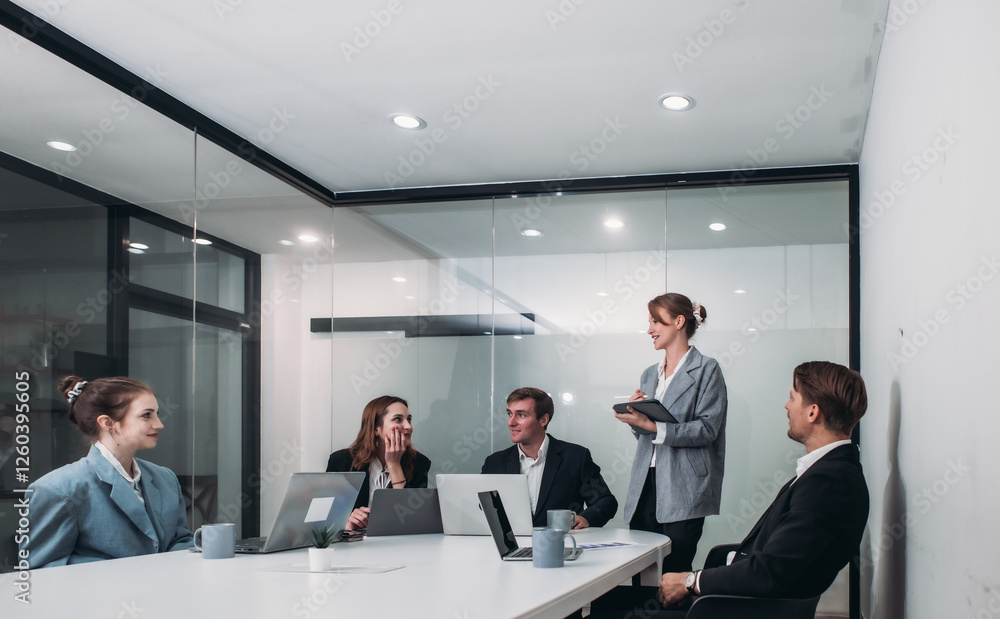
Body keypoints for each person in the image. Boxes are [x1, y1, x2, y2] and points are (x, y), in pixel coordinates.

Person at [592, 361, 869, 617]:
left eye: (792, 398)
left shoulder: (829, 482)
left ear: (812, 412)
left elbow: (771, 571)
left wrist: (691, 581)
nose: (786, 405)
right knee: (610, 600)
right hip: (733, 595)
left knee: (607, 608)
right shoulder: (829, 472)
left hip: (733, 608)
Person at [21, 376, 193, 568]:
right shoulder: (56, 489)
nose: (159, 424)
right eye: (147, 415)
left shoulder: (165, 478)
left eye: (157, 414)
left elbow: (180, 541)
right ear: (107, 422)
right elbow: (41, 570)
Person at [613, 293, 727, 573]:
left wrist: (652, 425)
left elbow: (708, 429)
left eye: (655, 322)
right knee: (641, 570)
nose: (649, 329)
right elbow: (647, 435)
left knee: (674, 571)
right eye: (649, 322)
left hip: (684, 485)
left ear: (678, 322)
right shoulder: (649, 374)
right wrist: (635, 420)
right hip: (645, 483)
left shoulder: (707, 369)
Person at [481, 387, 618, 529]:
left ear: (543, 420)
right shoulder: (494, 462)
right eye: (510, 414)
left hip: (562, 541)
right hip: (512, 542)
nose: (511, 422)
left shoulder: (576, 457)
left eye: (521, 415)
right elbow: (480, 507)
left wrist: (585, 518)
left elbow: (606, 502)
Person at [326, 395, 431, 531]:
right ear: (376, 428)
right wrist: (346, 525)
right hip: (353, 541)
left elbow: (413, 519)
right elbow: (326, 518)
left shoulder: (419, 463)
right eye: (398, 419)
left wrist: (394, 465)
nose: (408, 426)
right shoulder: (341, 461)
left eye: (409, 419)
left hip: (398, 541)